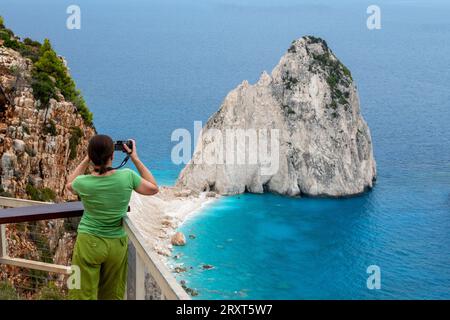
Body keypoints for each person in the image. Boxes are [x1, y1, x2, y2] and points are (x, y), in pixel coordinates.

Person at [65, 134, 158, 300]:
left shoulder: (83, 182)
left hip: (88, 243)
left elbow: (69, 184)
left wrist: (87, 159)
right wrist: (134, 158)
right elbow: (153, 188)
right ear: (112, 156)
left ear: (91, 156)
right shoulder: (127, 176)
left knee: (81, 293)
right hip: (116, 244)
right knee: (111, 294)